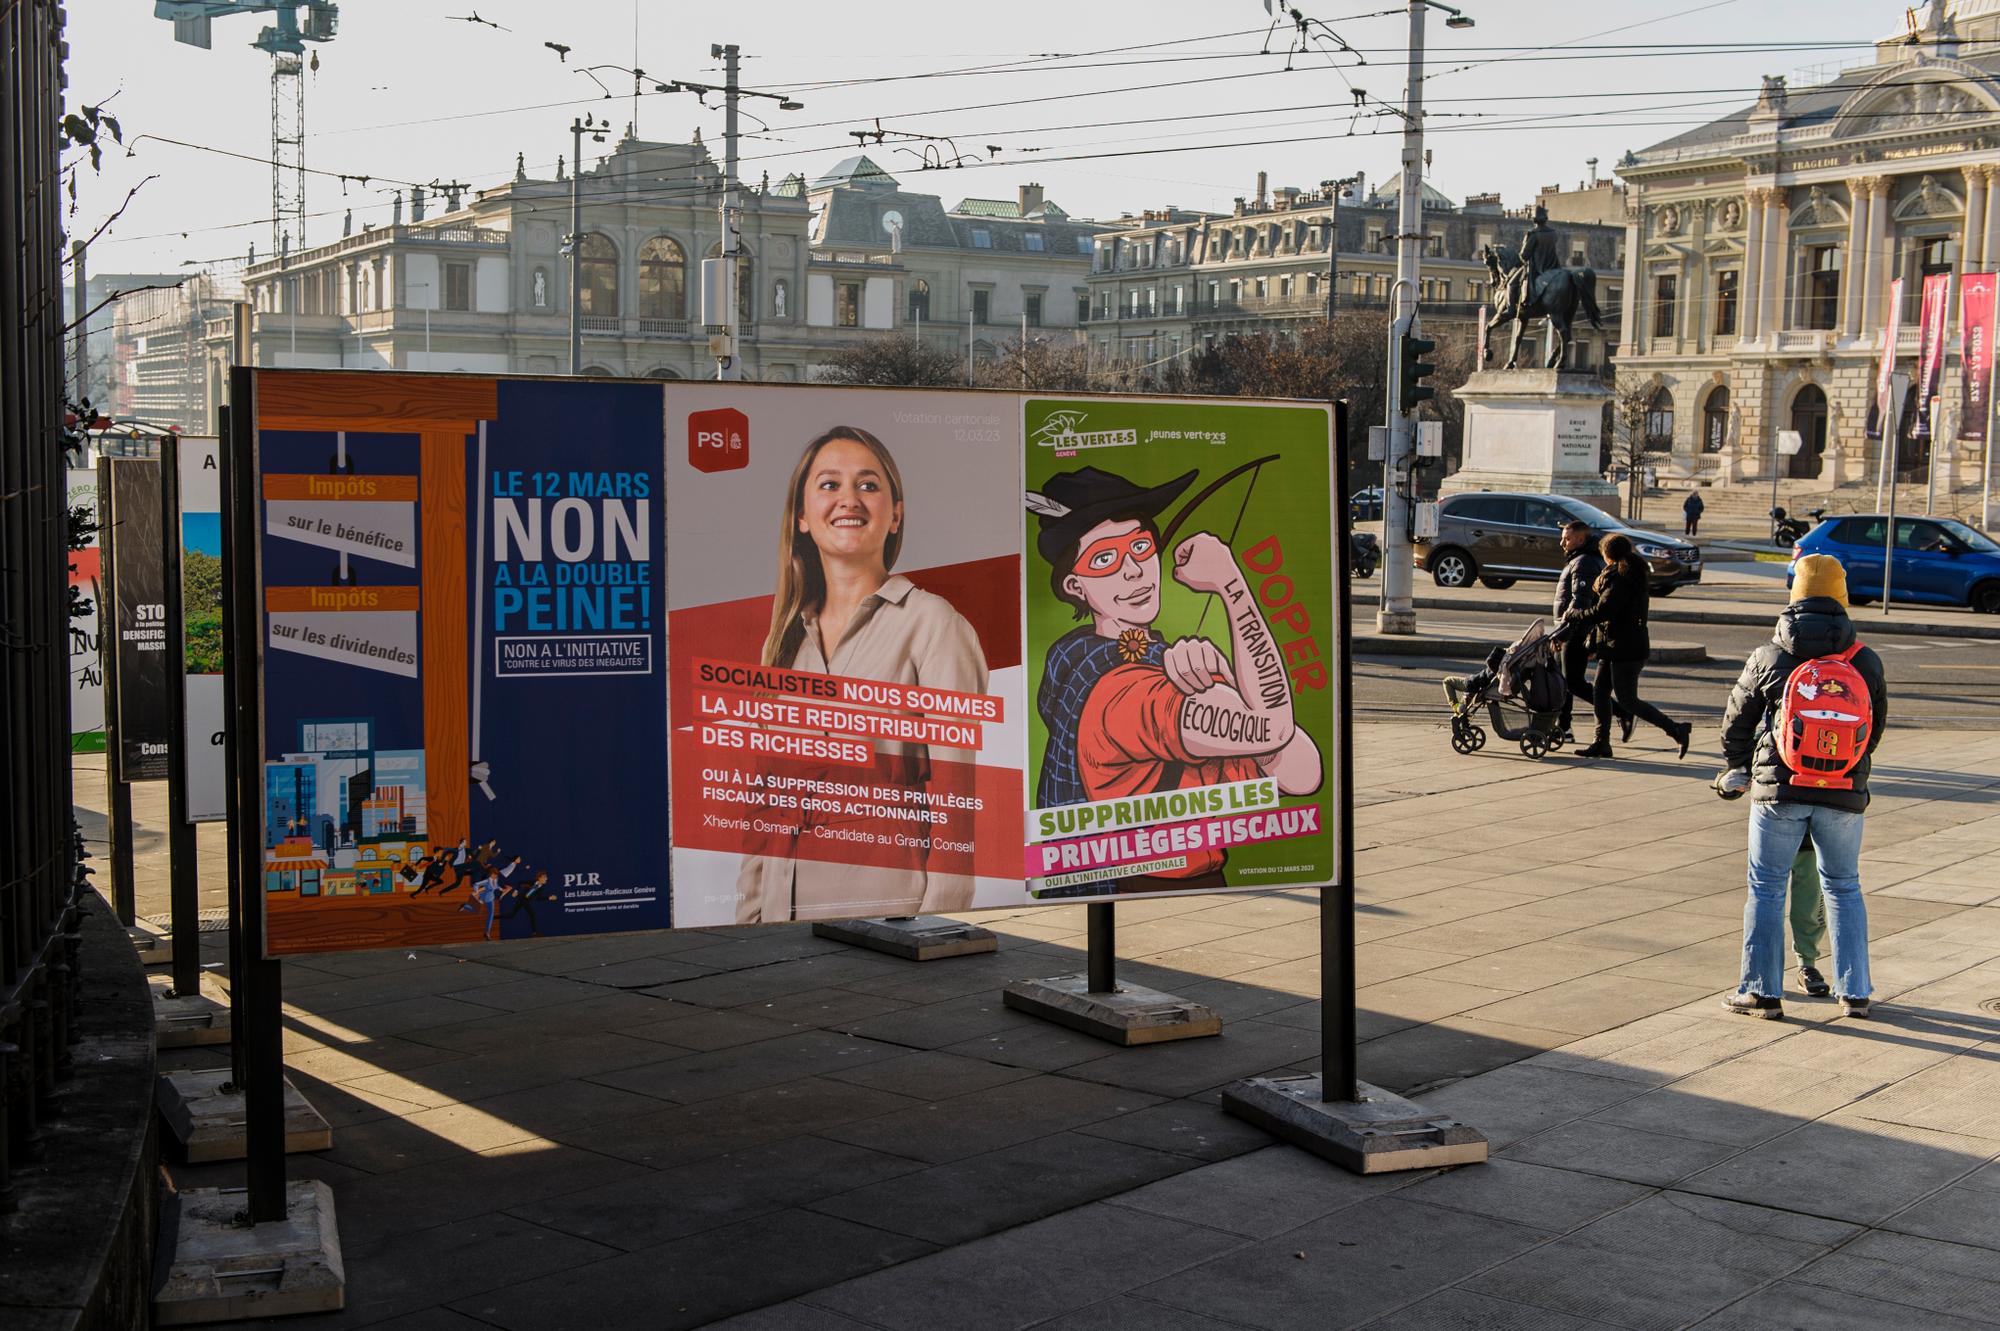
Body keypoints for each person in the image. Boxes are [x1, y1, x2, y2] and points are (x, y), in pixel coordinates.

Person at [735, 427, 989, 924]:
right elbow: (763, 800)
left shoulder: (933, 624)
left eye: (869, 485)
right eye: (829, 485)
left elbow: (956, 796)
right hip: (782, 910)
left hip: (888, 906)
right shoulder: (782, 641)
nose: (849, 498)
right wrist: (747, 918)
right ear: (802, 517)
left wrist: (937, 923)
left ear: (896, 515)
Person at [1028, 466, 1322, 894]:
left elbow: (1302, 774)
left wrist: (1222, 681)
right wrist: (1231, 585)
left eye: (1141, 547)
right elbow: (1272, 728)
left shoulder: (1155, 661)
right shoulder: (1120, 690)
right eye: (1104, 558)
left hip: (1184, 886)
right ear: (1075, 585)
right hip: (1142, 887)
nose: (1133, 570)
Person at [1717, 553, 1885, 1019]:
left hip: (1779, 789)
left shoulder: (1770, 655)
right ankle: (1854, 992)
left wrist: (1737, 766)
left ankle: (1760, 992)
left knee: (1767, 888)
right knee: (1844, 887)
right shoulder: (1865, 660)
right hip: (1843, 791)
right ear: (1842, 596)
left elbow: (1735, 722)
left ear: (1795, 595)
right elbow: (1874, 730)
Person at [1560, 532, 1693, 760]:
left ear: (1607, 555)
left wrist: (1577, 615)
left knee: (1628, 699)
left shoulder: (1621, 578)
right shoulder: (1625, 572)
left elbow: (1605, 610)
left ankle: (1676, 729)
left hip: (1625, 648)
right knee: (1600, 692)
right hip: (1614, 646)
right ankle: (1601, 742)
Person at [1552, 521, 1630, 744]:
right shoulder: (1580, 559)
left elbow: (1580, 600)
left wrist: (1563, 631)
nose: (1562, 542)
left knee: (1572, 682)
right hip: (1571, 630)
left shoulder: (1584, 562)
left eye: (1566, 538)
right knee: (1563, 681)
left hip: (1574, 631)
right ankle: (1563, 727)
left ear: (1580, 539)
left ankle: (1621, 711)